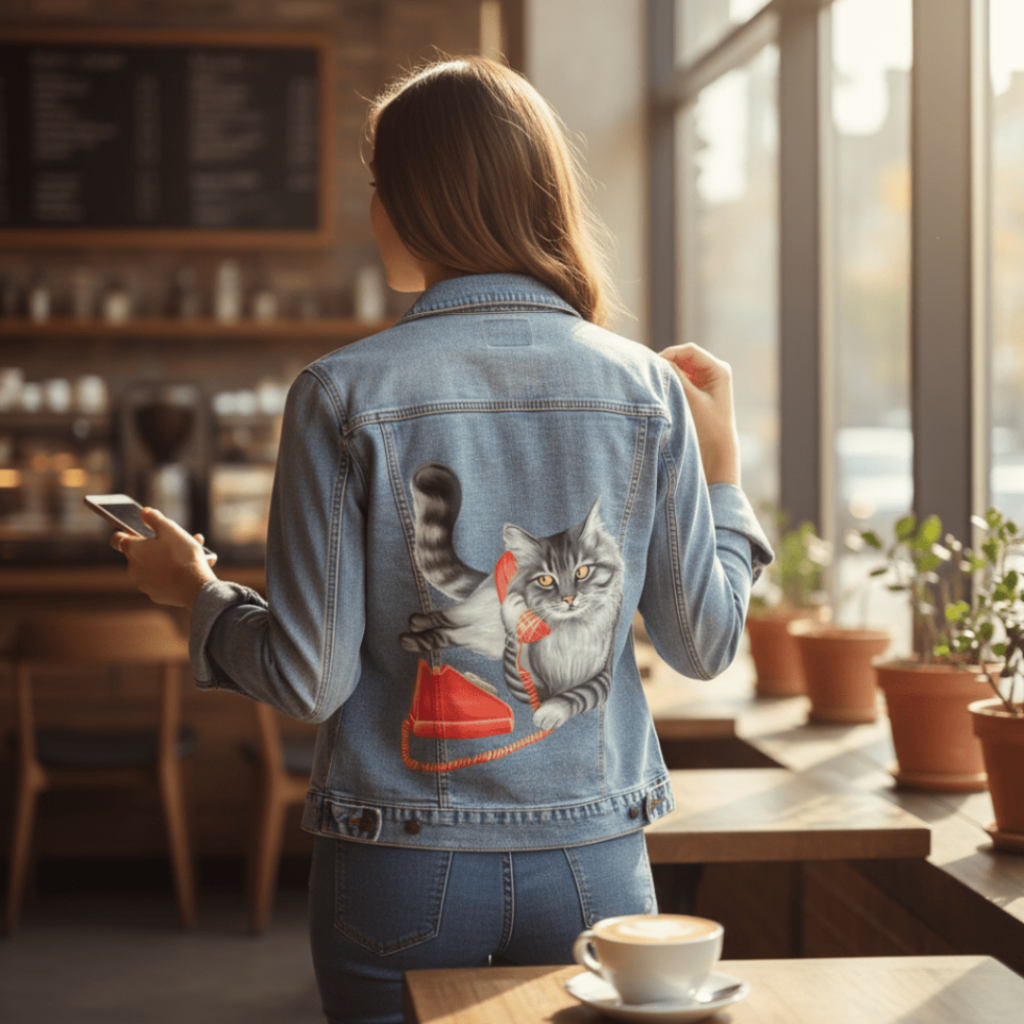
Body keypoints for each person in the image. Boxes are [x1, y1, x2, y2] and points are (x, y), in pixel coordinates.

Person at [114, 56, 772, 1024]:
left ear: (416, 202)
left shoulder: (340, 391)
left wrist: (196, 595)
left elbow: (307, 679)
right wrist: (722, 476)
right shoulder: (645, 390)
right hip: (594, 857)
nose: (373, 210)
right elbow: (705, 645)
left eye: (380, 186)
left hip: (398, 858)